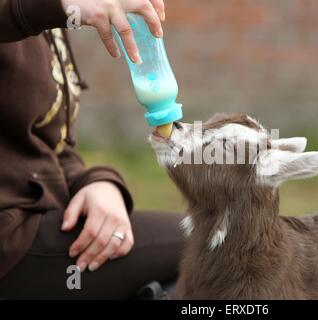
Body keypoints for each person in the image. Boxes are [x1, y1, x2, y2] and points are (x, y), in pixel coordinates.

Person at [0, 0, 183, 299]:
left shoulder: (50, 29)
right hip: (12, 239)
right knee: (219, 244)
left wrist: (97, 182)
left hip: (47, 218)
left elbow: (49, 140)